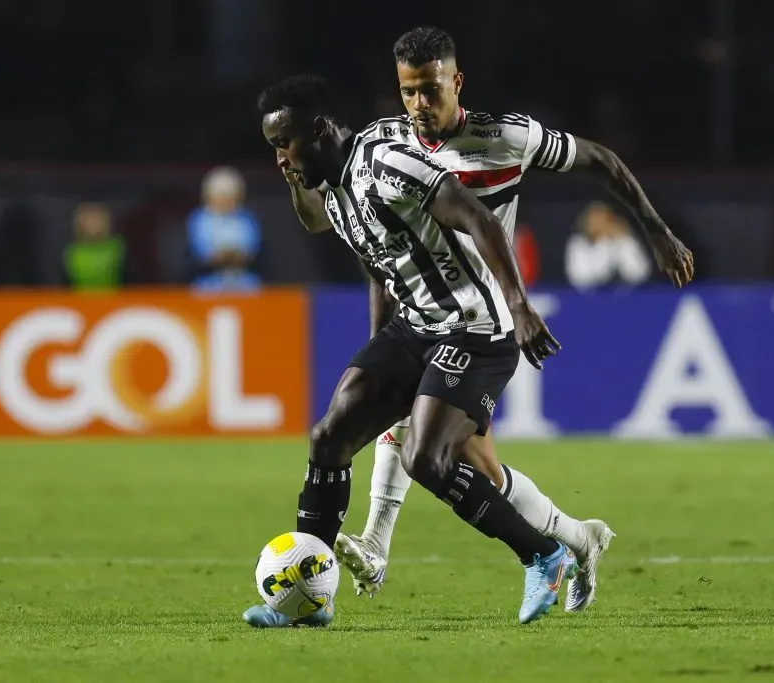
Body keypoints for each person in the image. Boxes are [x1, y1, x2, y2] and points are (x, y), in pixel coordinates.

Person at [333, 27, 695, 612]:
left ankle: (378, 545)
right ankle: (579, 538)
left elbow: (600, 160)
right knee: (480, 470)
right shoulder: (388, 148)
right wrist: (381, 341)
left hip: (482, 322)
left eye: (430, 90)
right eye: (408, 93)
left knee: (424, 447)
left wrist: (654, 227)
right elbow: (380, 255)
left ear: (457, 82)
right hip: (423, 319)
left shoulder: (505, 137)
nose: (420, 106)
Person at [243, 73, 578, 628]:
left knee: (426, 458)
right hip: (416, 327)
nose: (279, 158)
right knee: (329, 437)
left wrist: (519, 307)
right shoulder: (334, 187)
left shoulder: (385, 162)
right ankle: (311, 597)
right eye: (273, 147)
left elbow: (476, 215)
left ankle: (545, 554)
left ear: (322, 130)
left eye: (285, 143)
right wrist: (295, 170)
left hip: (475, 326)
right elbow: (318, 221)